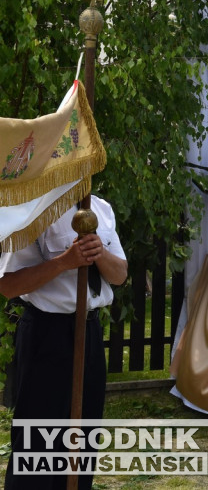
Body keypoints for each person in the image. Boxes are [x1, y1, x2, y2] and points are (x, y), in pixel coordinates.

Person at [0, 197, 128, 490]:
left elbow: (119, 275)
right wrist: (64, 262)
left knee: (84, 431)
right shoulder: (34, 211)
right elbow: (8, 286)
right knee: (38, 434)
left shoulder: (103, 208)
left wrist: (100, 254)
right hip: (47, 332)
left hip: (90, 329)